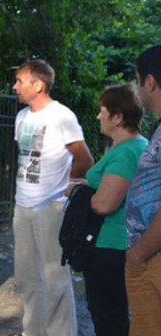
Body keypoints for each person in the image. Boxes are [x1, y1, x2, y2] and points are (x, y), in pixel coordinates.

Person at [12, 59, 93, 336]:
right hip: (22, 205)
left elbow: (84, 159)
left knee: (55, 278)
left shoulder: (62, 116)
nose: (15, 86)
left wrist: (66, 185)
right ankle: (32, 331)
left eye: (20, 81)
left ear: (38, 85)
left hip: (52, 206)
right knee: (26, 277)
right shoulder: (21, 117)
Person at [66, 84, 147, 336]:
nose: (98, 116)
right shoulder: (134, 146)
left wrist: (77, 193)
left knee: (108, 317)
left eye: (102, 111)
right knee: (112, 314)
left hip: (110, 246)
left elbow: (105, 203)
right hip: (117, 245)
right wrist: (90, 185)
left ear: (118, 116)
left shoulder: (126, 152)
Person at [124, 45, 161, 335]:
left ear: (150, 81)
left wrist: (138, 254)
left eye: (138, 80)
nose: (138, 87)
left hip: (152, 259)